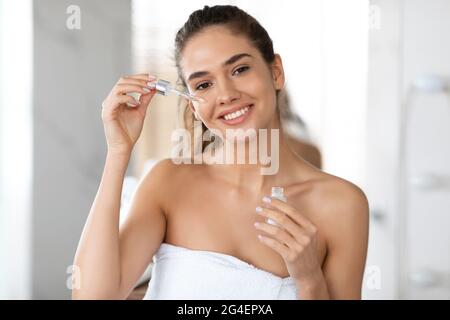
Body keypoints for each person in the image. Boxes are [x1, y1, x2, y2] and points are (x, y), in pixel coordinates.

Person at [72, 5, 369, 300]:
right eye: (204, 84)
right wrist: (118, 151)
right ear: (194, 106)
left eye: (239, 69)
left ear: (275, 72)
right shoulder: (168, 183)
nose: (226, 95)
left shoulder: (341, 205)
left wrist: (309, 281)